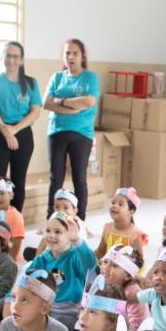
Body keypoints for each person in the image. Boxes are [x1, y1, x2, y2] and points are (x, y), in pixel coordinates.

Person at [0, 41, 42, 212]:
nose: (11, 60)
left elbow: (35, 111)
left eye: (16, 56)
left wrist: (14, 130)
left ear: (22, 60)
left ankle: (15, 224)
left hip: (22, 133)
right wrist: (6, 132)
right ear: (2, 57)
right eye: (8, 55)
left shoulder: (31, 83)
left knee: (18, 181)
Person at [44, 38, 99, 219]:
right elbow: (46, 103)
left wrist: (61, 101)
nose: (71, 57)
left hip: (82, 134)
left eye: (75, 53)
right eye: (67, 53)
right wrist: (73, 108)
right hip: (57, 132)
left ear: (82, 56)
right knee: (56, 178)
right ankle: (51, 219)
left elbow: (89, 101)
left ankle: (80, 220)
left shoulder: (90, 77)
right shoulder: (57, 77)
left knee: (79, 179)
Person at [21, 212, 97, 331]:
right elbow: (27, 282)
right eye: (48, 230)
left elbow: (91, 264)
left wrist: (77, 240)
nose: (51, 235)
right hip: (45, 306)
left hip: (69, 310)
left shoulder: (74, 256)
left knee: (59, 328)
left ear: (69, 237)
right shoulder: (41, 259)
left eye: (58, 232)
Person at [101, 244, 147, 331]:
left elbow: (135, 330)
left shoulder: (133, 295)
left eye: (114, 265)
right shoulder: (104, 282)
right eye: (105, 262)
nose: (105, 268)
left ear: (127, 275)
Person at [94, 188, 147, 259]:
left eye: (120, 204)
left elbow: (138, 262)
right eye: (113, 203)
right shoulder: (107, 228)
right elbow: (101, 251)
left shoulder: (134, 234)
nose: (114, 206)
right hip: (106, 267)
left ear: (131, 211)